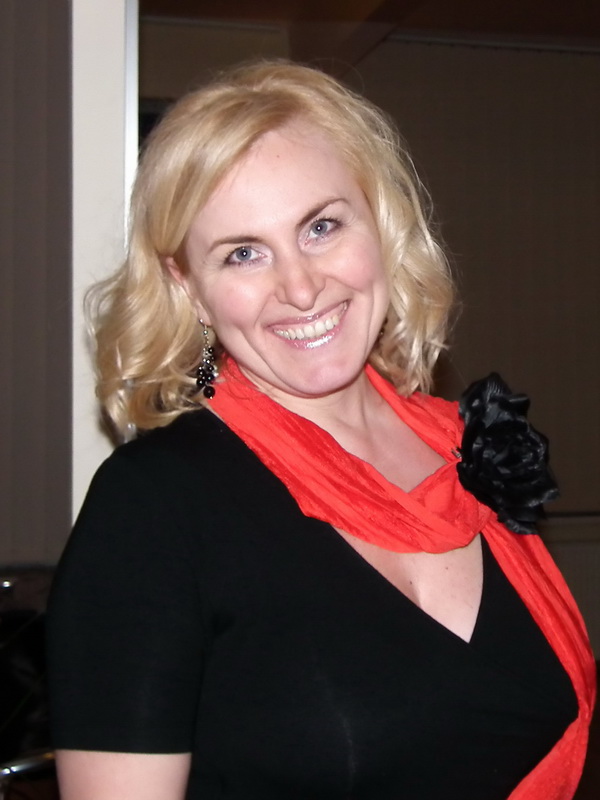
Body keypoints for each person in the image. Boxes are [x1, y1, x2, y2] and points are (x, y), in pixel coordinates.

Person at [47, 60, 596, 800]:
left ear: (381, 224)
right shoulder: (152, 507)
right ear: (189, 287)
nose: (301, 287)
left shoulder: (467, 449)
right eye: (243, 253)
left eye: (321, 226)